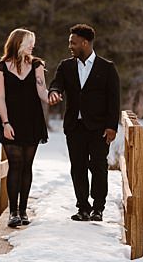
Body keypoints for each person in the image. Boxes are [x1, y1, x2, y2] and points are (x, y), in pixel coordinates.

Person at [46, 24, 121, 222]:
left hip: (99, 128)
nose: (70, 45)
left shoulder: (107, 68)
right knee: (77, 167)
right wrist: (54, 92)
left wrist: (112, 126)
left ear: (85, 43)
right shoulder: (66, 66)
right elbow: (57, 84)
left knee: (98, 167)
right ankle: (83, 208)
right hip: (74, 127)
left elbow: (114, 100)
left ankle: (98, 208)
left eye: (73, 42)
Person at [0, 28, 49, 228]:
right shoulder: (1, 67)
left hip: (32, 121)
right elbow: (0, 98)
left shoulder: (36, 65)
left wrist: (52, 96)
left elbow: (42, 91)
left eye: (33, 42)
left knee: (27, 165)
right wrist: (5, 122)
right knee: (15, 164)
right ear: (18, 43)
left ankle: (24, 211)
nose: (32, 45)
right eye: (29, 42)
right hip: (12, 122)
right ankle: (13, 212)